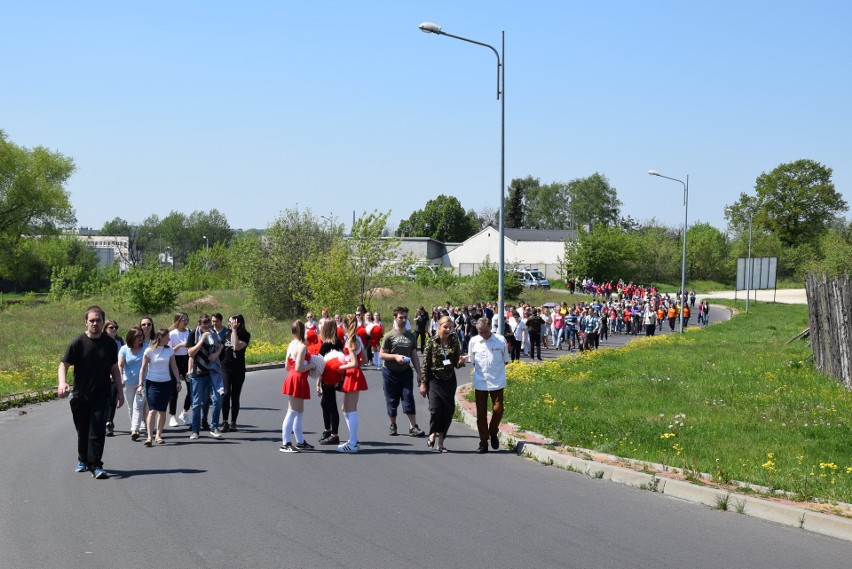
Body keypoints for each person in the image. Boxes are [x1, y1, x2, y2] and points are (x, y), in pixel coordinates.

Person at [58, 305, 125, 479]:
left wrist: (119, 390)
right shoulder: (78, 343)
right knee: (83, 430)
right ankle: (83, 459)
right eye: (92, 320)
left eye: (98, 320)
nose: (95, 323)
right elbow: (63, 364)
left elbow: (114, 368)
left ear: (103, 322)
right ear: (86, 322)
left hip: (102, 395)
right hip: (81, 395)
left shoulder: (109, 343)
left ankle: (96, 465)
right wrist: (62, 382)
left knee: (97, 430)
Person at [420, 316, 466, 452]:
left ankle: (441, 443)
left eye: (449, 327)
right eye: (445, 327)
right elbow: (425, 364)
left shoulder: (454, 341)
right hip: (434, 379)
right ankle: (432, 433)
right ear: (439, 327)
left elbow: (456, 363)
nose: (447, 330)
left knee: (447, 411)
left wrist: (461, 362)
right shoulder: (431, 341)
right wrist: (423, 383)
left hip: (449, 380)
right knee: (435, 409)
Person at [379, 306, 425, 438]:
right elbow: (382, 354)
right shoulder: (389, 336)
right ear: (395, 318)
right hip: (390, 372)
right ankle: (393, 425)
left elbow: (414, 355)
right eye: (401, 317)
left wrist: (419, 373)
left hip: (405, 371)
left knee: (408, 396)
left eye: (405, 317)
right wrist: (395, 357)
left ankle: (413, 427)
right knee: (392, 399)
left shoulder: (411, 336)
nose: (403, 320)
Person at [468, 317, 509, 454]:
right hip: (480, 382)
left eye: (485, 332)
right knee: (481, 414)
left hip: (497, 381)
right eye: (480, 332)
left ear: (490, 328)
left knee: (498, 410)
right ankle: (483, 442)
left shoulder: (500, 340)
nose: (483, 335)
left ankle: (493, 431)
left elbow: (506, 360)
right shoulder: (474, 341)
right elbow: (472, 360)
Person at [139, 328, 182, 446]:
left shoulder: (169, 351)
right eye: (167, 337)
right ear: (160, 337)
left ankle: (158, 435)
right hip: (152, 383)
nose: (169, 339)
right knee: (152, 410)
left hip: (166, 383)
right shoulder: (149, 350)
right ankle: (149, 437)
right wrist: (140, 384)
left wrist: (178, 381)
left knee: (162, 411)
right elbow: (143, 369)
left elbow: (174, 367)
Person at [280, 320, 316, 453]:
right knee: (292, 411)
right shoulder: (301, 346)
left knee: (299, 412)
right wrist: (311, 366)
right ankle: (285, 443)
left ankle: (300, 441)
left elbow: (287, 366)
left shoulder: (291, 344)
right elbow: (299, 367)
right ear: (303, 330)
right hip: (298, 378)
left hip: (293, 377)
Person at [187, 315, 224, 439]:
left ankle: (214, 427)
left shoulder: (214, 334)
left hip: (213, 371)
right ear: (199, 324)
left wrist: (216, 354)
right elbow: (191, 353)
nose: (206, 326)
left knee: (217, 399)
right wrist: (202, 340)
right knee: (197, 403)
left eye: (208, 324)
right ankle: (195, 430)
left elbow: (221, 346)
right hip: (199, 372)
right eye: (203, 324)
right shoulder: (194, 334)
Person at [337, 314, 369, 453]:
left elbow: (355, 362)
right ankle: (352, 439)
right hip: (354, 373)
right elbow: (365, 359)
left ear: (345, 325)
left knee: (351, 408)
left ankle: (353, 443)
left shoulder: (350, 341)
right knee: (345, 408)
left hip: (352, 374)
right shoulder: (358, 339)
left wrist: (339, 366)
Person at [221, 314, 251, 432]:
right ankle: (224, 421)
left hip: (238, 369)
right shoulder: (226, 334)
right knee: (226, 393)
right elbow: (221, 348)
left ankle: (233, 422)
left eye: (232, 322)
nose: (230, 324)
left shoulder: (245, 335)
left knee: (235, 396)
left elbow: (236, 346)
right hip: (225, 368)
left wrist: (234, 331)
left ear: (239, 323)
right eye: (229, 322)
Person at [316, 319, 344, 445]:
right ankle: (328, 430)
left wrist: (317, 383)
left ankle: (334, 434)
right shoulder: (338, 342)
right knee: (325, 403)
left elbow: (319, 365)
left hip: (327, 377)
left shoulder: (326, 345)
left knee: (331, 404)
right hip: (337, 376)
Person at [118, 327, 146, 440]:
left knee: (137, 406)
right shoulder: (124, 349)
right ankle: (134, 426)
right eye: (138, 336)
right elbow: (120, 365)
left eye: (141, 335)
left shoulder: (146, 348)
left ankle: (135, 429)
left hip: (143, 383)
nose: (141, 338)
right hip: (128, 382)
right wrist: (120, 378)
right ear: (131, 337)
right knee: (131, 407)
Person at [168, 312, 191, 428]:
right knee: (174, 390)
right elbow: (169, 351)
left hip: (187, 360)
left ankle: (184, 412)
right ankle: (172, 416)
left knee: (192, 388)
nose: (186, 321)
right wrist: (181, 345)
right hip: (174, 361)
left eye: (187, 319)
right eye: (183, 319)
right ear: (177, 320)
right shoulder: (172, 334)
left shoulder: (189, 332)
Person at [103, 319, 124, 437]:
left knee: (112, 399)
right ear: (105, 329)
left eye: (116, 327)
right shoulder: (102, 341)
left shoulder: (120, 341)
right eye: (111, 327)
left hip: (116, 372)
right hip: (103, 373)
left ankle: (109, 422)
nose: (114, 329)